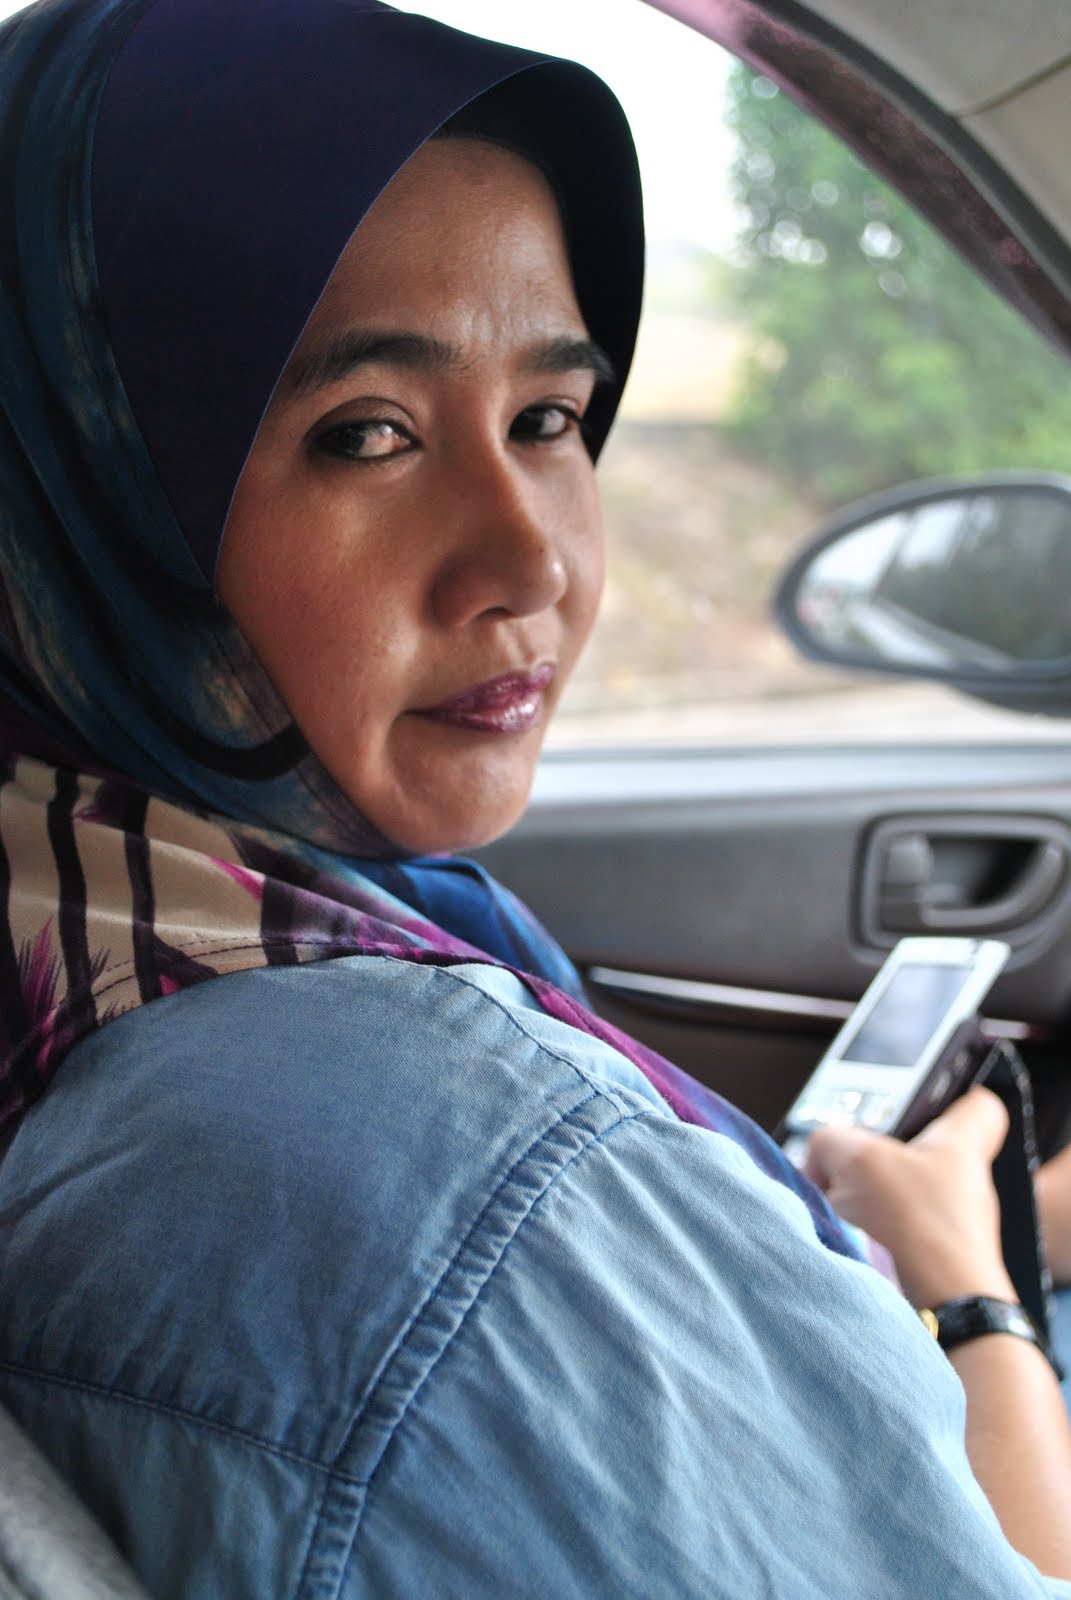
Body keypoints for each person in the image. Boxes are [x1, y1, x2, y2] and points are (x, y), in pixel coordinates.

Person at [0, 0, 1070, 1594]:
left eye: (549, 420)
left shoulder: (82, 912)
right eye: (367, 435)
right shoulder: (468, 1184)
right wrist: (971, 1293)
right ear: (88, 476)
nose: (531, 562)